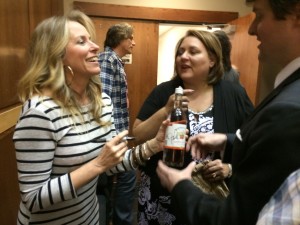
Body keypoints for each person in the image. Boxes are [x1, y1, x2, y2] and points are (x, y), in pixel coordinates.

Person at [12, 10, 168, 224]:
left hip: (90, 218)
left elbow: (112, 164)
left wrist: (153, 145)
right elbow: (33, 198)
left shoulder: (101, 101)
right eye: (81, 41)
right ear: (55, 54)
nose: (95, 46)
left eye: (91, 39)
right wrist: (97, 165)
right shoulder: (40, 112)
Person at [156, 0, 300, 224]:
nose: (251, 29)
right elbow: (267, 143)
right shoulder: (164, 91)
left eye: (260, 16)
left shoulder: (283, 109)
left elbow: (233, 219)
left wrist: (180, 185)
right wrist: (227, 140)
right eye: (181, 52)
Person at [132, 30, 254, 224]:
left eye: (193, 51)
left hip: (208, 201)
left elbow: (252, 140)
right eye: (180, 52)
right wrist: (165, 110)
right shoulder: (164, 91)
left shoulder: (234, 94)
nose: (184, 57)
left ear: (212, 60)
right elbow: (136, 135)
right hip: (161, 198)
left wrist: (229, 168)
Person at [97, 22, 137, 225]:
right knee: (127, 176)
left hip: (116, 133)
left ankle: (114, 219)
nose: (133, 42)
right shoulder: (107, 59)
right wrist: (110, 137)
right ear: (120, 38)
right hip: (109, 135)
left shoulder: (115, 61)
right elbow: (102, 100)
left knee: (117, 180)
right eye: (131, 38)